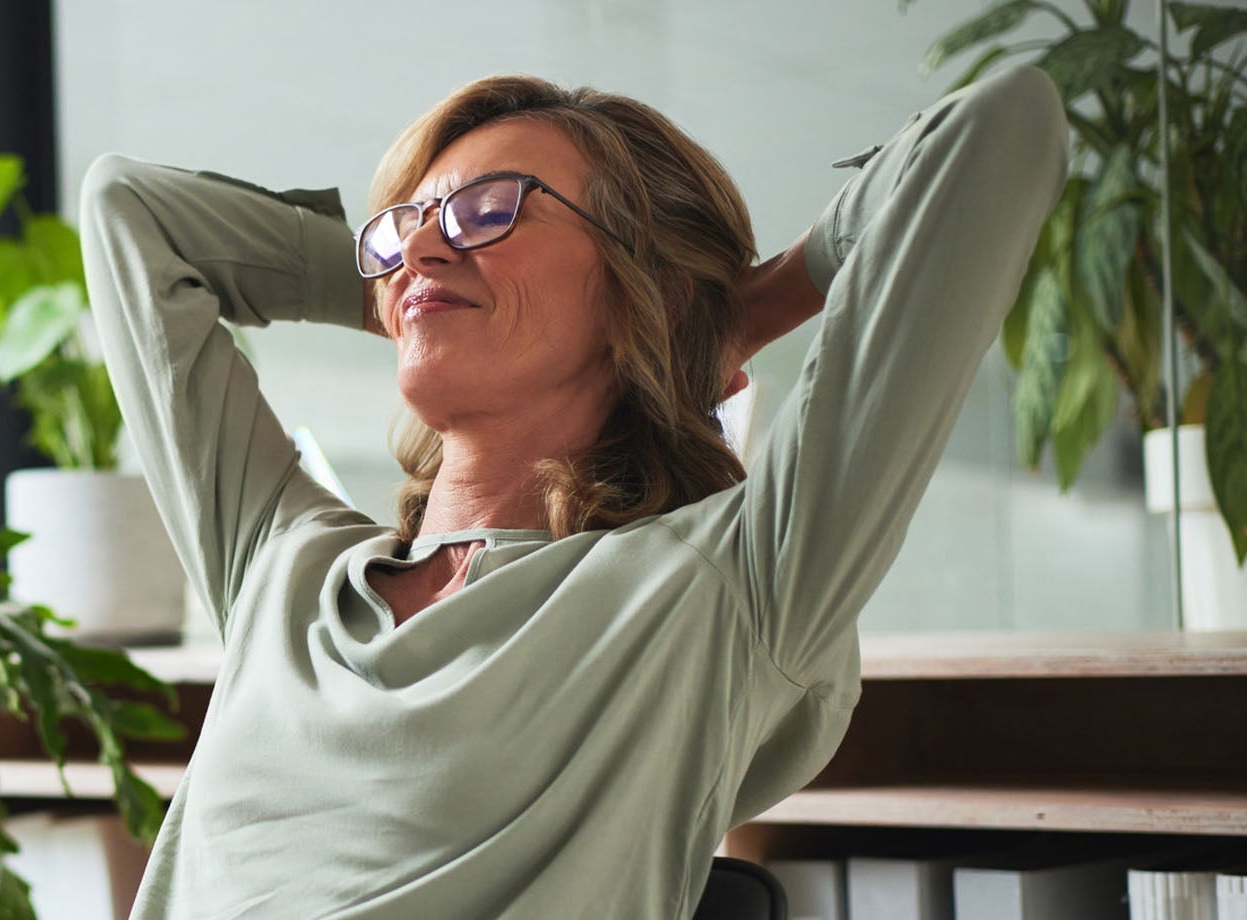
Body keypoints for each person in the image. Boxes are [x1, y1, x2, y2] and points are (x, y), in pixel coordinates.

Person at [78, 63, 1067, 918]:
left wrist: (724, 314)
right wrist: (420, 290)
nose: (422, 245)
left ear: (644, 284)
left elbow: (1001, 130)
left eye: (487, 209)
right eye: (408, 226)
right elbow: (130, 211)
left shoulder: (714, 588)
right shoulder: (282, 563)